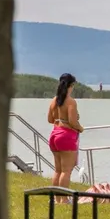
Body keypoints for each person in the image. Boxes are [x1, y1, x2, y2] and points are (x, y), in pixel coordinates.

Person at [47, 73, 84, 203]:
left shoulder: (54, 100)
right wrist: (80, 128)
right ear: (71, 85)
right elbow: (73, 122)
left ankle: (55, 199)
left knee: (57, 170)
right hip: (66, 137)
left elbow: (50, 119)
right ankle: (64, 200)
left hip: (54, 135)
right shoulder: (71, 102)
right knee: (66, 171)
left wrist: (60, 119)